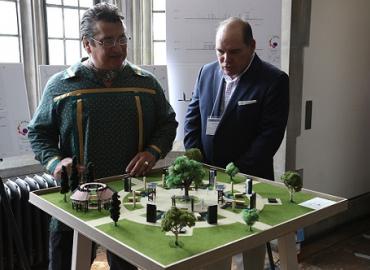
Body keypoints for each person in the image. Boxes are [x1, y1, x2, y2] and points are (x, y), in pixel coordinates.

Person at [28, 3, 177, 270]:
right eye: (108, 41)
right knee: (67, 262)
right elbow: (39, 132)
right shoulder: (61, 86)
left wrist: (152, 152)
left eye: (122, 39)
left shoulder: (146, 83)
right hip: (76, 195)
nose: (119, 48)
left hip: (132, 196)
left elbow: (167, 123)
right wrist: (55, 163)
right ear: (87, 44)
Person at [184, 17, 289, 181]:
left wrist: (234, 173)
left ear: (252, 46)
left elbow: (269, 137)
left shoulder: (274, 80)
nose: (226, 59)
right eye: (220, 51)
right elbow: (192, 120)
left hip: (248, 178)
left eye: (234, 52)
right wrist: (197, 162)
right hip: (205, 175)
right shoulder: (206, 72)